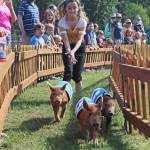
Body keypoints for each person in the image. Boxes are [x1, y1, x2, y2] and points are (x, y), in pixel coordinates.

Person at [58, 0, 87, 93]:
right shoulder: (62, 22)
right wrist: (70, 52)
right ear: (65, 9)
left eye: (74, 7)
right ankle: (61, 96)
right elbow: (65, 40)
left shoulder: (82, 22)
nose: (72, 10)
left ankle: (78, 96)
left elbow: (79, 40)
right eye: (69, 8)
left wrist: (73, 52)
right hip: (67, 47)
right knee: (68, 73)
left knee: (77, 75)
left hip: (79, 47)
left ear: (78, 8)